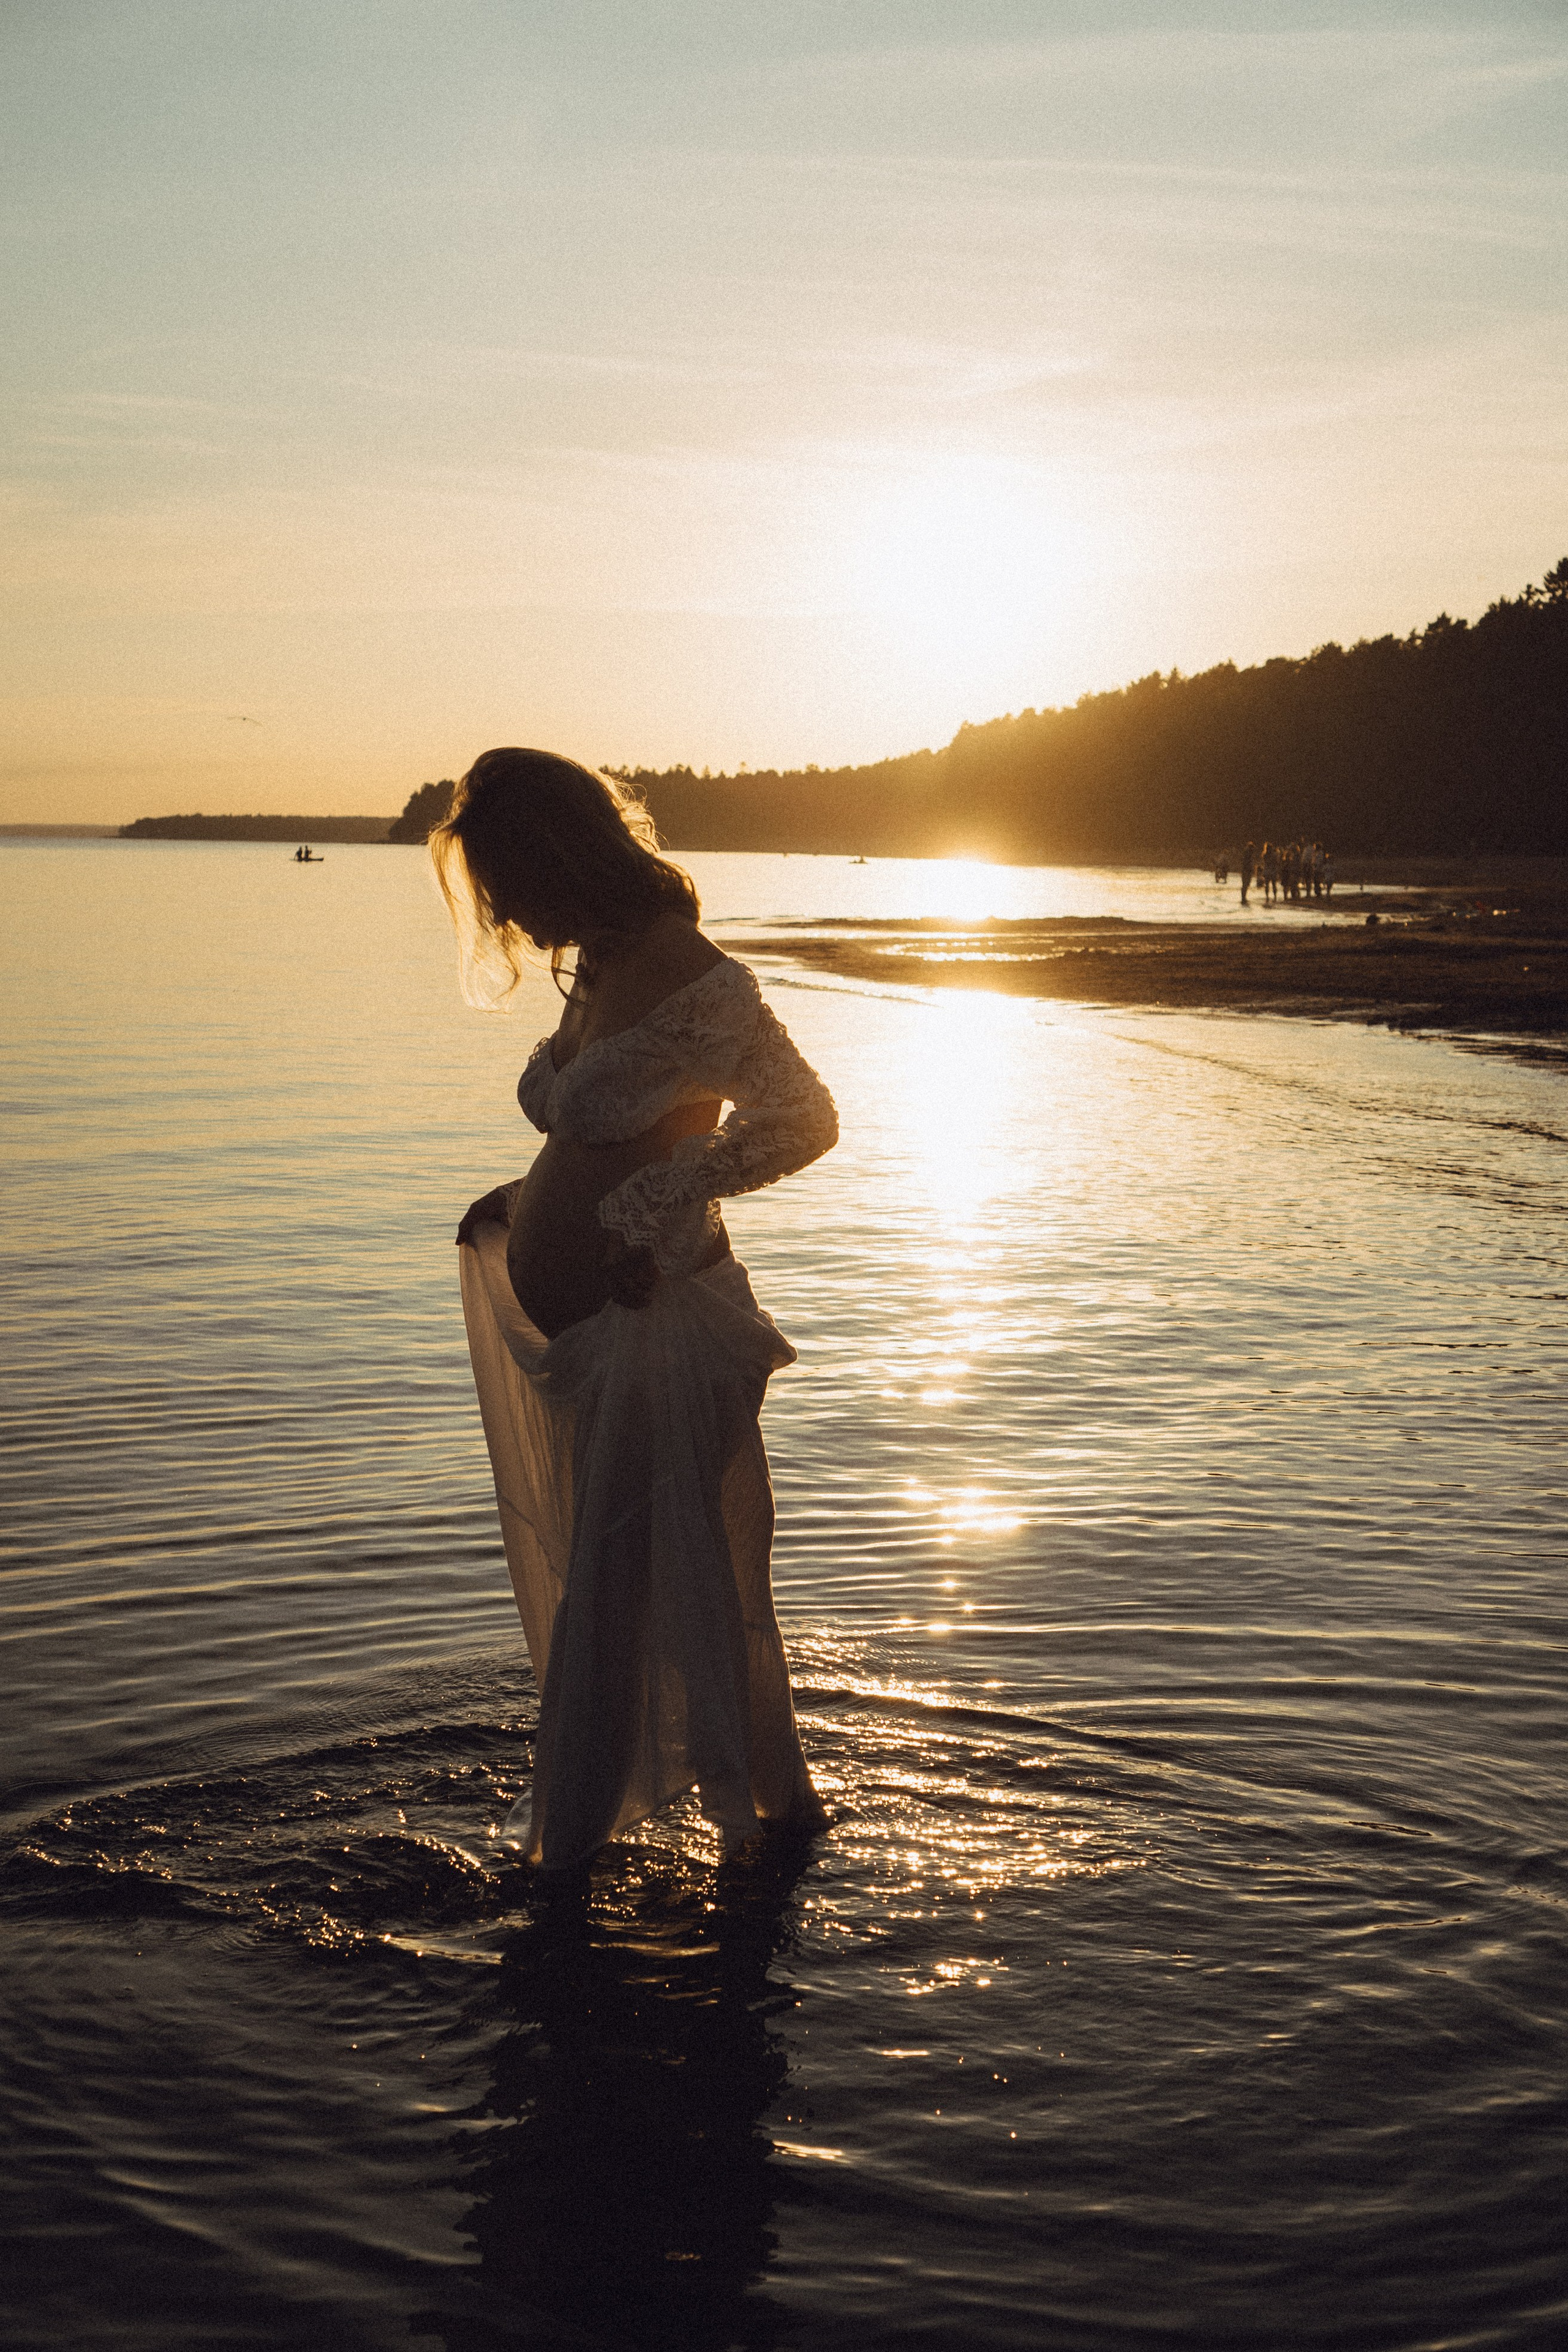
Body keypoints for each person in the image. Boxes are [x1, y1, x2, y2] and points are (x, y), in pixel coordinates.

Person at [434, 747, 837, 1873]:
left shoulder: (694, 973)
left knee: (636, 1600)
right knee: (623, 1592)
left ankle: (580, 1867)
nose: (505, 911)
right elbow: (600, 1128)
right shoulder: (606, 957)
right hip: (600, 1335)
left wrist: (663, 1200)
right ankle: (750, 1827)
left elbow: (804, 1119)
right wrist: (531, 1205)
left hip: (663, 1324)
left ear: (560, 855)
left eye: (509, 880)